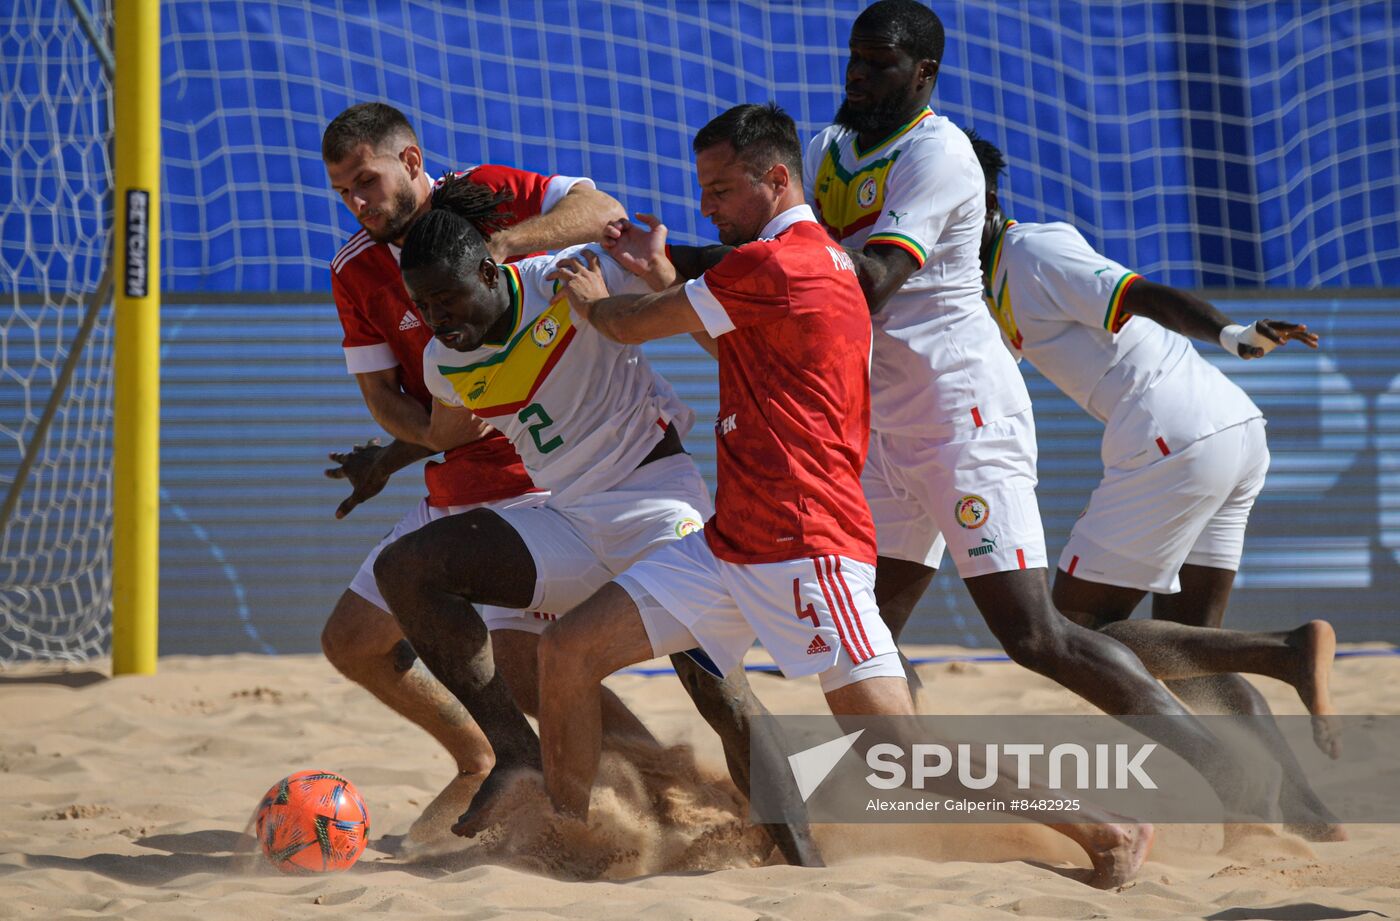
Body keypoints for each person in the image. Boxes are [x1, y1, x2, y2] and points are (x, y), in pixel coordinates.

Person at [611, 0, 1271, 825]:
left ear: (924, 73)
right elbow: (776, 258)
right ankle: (886, 808)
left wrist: (692, 276)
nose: (857, 74)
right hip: (878, 426)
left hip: (961, 415)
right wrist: (668, 257)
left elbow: (864, 281)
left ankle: (1225, 772)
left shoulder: (941, 153)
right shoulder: (822, 149)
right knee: (866, 642)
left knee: (1035, 635)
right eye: (853, 57)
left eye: (879, 62)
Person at [536, 101, 1154, 890]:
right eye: (704, 188)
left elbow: (624, 327)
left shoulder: (776, 264)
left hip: (806, 543)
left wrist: (594, 296)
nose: (705, 206)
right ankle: (567, 841)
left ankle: (1105, 825)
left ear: (778, 177)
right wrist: (659, 274)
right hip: (732, 544)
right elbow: (728, 344)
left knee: (893, 748)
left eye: (721, 188)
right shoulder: (806, 262)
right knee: (568, 650)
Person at [372, 174, 821, 865]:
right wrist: (387, 457)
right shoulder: (442, 361)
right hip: (570, 519)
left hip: (657, 501)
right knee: (407, 568)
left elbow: (616, 224)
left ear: (492, 268)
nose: (440, 318)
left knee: (713, 684)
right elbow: (447, 433)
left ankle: (805, 859)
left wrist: (664, 268)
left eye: (450, 297)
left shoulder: (569, 278)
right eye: (424, 305)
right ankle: (517, 757)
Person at [968, 128, 1344, 839]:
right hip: (1227, 429)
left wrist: (1232, 331)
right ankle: (1303, 814)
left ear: (976, 197)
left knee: (1075, 628)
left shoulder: (1033, 249)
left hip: (1173, 435)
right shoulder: (980, 280)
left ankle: (1287, 649)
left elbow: (1141, 293)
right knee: (1190, 654)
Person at [318, 101, 628, 822]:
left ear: (412, 162)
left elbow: (603, 209)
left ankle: (670, 781)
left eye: (366, 181)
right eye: (344, 193)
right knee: (352, 641)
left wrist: (502, 244)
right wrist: (417, 441)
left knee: (528, 665)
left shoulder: (484, 191)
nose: (359, 203)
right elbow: (387, 403)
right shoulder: (355, 270)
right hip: (454, 478)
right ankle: (481, 757)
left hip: (541, 481)